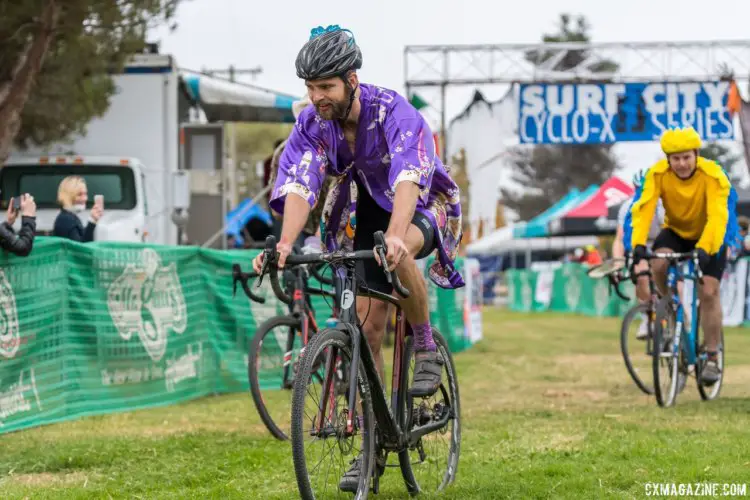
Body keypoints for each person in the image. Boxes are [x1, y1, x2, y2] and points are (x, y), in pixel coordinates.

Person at [252, 25, 463, 492]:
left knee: (398, 247)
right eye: (309, 88)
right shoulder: (312, 122)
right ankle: (371, 444)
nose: (316, 97)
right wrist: (285, 244)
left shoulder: (394, 112)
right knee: (367, 327)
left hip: (421, 199)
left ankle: (424, 344)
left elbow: (410, 175)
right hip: (365, 201)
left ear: (351, 78)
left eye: (325, 86)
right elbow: (301, 183)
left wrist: (394, 235)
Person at [627, 126, 740, 385]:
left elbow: (717, 216)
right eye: (675, 158)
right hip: (677, 231)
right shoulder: (658, 174)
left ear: (696, 154)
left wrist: (705, 249)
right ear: (668, 159)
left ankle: (712, 356)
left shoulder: (712, 174)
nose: (681, 163)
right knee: (657, 263)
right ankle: (668, 304)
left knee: (709, 291)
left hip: (711, 233)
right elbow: (643, 210)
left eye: (687, 157)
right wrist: (637, 245)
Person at [266, 95, 333, 248]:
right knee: (293, 261)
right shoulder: (284, 152)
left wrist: (320, 232)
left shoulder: (338, 148)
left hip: (334, 226)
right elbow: (277, 207)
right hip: (299, 227)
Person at [615, 170, 666, 339]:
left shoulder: (662, 205)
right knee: (640, 274)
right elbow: (620, 239)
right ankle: (647, 317)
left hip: (662, 243)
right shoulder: (627, 207)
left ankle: (675, 318)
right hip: (640, 245)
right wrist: (617, 263)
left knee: (666, 276)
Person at [53, 176, 103, 242]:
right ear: (68, 195)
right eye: (79, 194)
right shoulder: (66, 219)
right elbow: (79, 248)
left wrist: (93, 220)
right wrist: (92, 221)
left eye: (85, 194)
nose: (85, 198)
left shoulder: (70, 217)